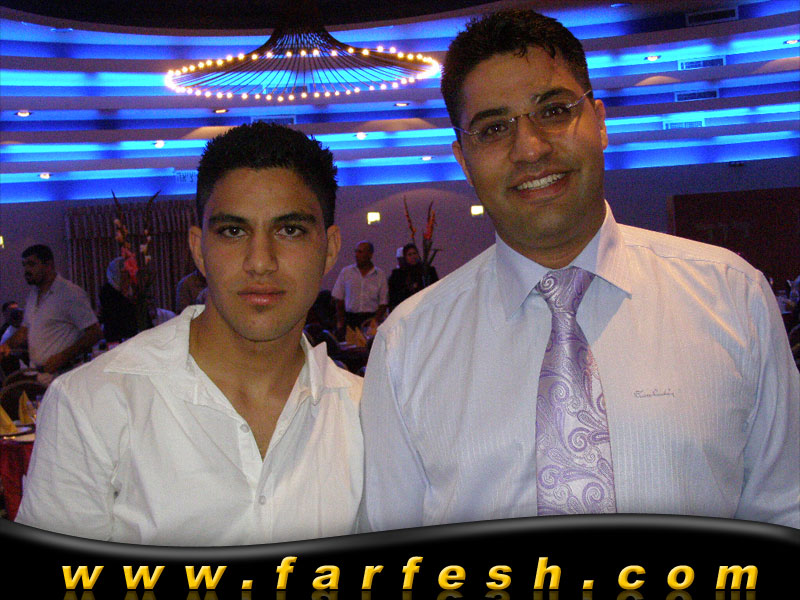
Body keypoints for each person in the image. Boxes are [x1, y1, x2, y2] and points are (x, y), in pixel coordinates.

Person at [360, 9, 800, 530]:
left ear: (600, 121)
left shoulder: (731, 297)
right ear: (463, 159)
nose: (530, 148)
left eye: (553, 110)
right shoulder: (408, 346)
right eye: (494, 128)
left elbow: (784, 509)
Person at [16, 122, 364, 545]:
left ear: (329, 249)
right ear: (199, 248)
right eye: (233, 231)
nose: (260, 262)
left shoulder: (367, 413)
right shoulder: (93, 403)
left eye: (289, 230)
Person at [0, 245, 101, 374]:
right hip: (40, 374)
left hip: (66, 372)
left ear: (49, 265)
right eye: (24, 265)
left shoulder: (70, 293)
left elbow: (94, 333)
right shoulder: (33, 294)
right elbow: (24, 331)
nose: (26, 270)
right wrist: (6, 345)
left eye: (31, 264)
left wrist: (63, 357)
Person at [332, 240, 388, 336]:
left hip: (370, 318)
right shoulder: (346, 272)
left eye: (360, 252)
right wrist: (341, 321)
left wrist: (375, 320)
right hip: (350, 318)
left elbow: (383, 302)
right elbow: (339, 298)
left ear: (370, 255)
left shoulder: (379, 275)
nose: (357, 255)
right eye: (356, 251)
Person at [98, 256, 138, 343]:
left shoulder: (131, 289)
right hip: (115, 338)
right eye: (124, 272)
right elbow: (113, 315)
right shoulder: (107, 291)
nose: (128, 275)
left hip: (132, 337)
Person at [388, 243, 439, 311]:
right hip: (406, 309)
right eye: (409, 254)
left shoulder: (428, 271)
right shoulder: (398, 274)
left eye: (414, 253)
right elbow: (394, 297)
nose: (413, 257)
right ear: (405, 257)